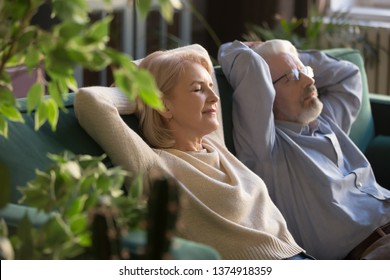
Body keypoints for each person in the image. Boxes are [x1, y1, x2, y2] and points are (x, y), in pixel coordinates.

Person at [74, 44, 311, 260]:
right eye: (198, 89)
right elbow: (88, 100)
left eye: (210, 86)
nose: (215, 97)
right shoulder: (153, 166)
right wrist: (142, 95)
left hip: (300, 256)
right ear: (165, 105)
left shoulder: (214, 143)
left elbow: (198, 50)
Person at [218, 39, 390, 260]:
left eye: (306, 71)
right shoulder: (266, 151)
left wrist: (290, 57)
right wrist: (254, 52)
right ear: (266, 93)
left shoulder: (327, 120)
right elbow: (249, 68)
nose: (310, 79)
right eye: (293, 78)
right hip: (372, 249)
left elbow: (349, 75)